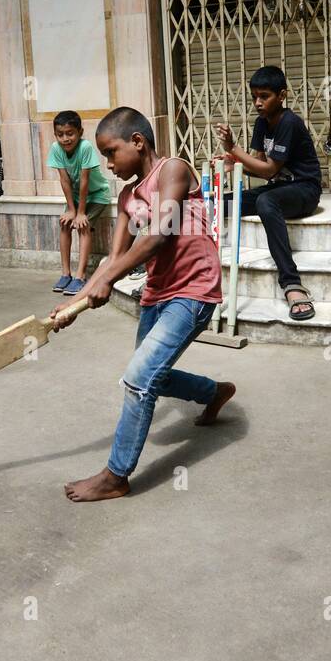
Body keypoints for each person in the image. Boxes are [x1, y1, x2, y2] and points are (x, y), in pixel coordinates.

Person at [50, 106, 236, 502]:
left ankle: (116, 475)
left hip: (193, 291)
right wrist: (74, 303)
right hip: (157, 292)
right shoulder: (126, 197)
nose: (109, 163)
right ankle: (213, 392)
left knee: (138, 378)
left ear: (138, 142)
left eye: (111, 152)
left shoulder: (174, 170)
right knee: (154, 376)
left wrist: (110, 280)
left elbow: (160, 235)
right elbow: (111, 260)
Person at [215, 64, 322, 320]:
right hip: (278, 188)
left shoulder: (290, 123)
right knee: (217, 202)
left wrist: (233, 148)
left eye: (264, 96)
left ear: (282, 95)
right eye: (254, 97)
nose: (258, 103)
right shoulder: (261, 123)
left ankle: (292, 284)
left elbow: (269, 170)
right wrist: (235, 163)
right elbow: (261, 166)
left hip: (304, 190)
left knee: (265, 201)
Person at [46, 110, 113, 296]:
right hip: (75, 197)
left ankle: (80, 277)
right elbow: (65, 180)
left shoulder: (85, 147)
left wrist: (81, 212)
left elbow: (84, 181)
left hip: (97, 195)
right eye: (60, 134)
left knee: (84, 225)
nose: (65, 139)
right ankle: (65, 274)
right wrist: (71, 210)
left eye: (70, 133)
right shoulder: (55, 149)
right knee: (65, 223)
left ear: (80, 132)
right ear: (55, 135)